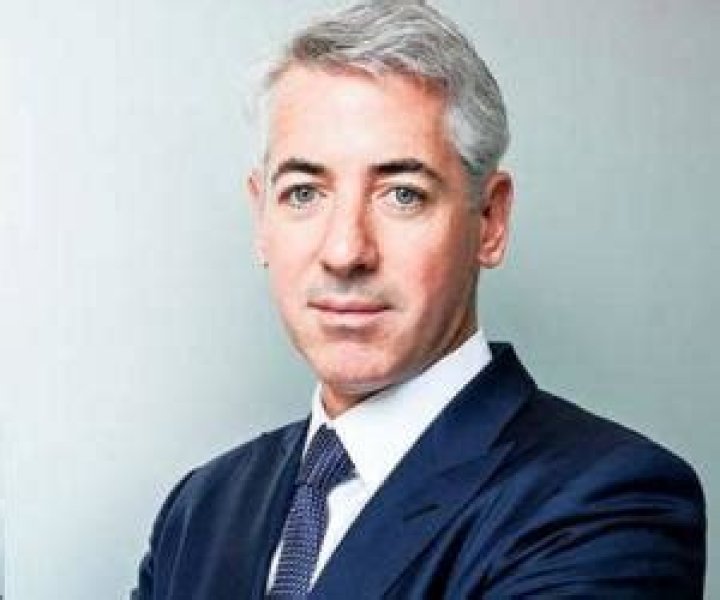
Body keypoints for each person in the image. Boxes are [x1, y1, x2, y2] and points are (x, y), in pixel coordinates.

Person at [132, 1, 706, 598]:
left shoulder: (607, 503)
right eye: (304, 193)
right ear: (261, 220)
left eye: (402, 194)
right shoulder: (200, 511)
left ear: (490, 221)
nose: (345, 251)